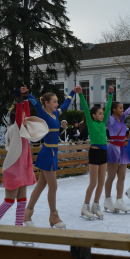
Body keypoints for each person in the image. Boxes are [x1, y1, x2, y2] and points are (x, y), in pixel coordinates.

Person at [0, 89, 48, 245]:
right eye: (24, 117)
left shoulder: (23, 130)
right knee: (8, 201)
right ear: (17, 119)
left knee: (21, 202)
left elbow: (25, 114)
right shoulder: (16, 129)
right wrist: (19, 102)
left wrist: (25, 98)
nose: (26, 119)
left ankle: (17, 232)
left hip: (23, 169)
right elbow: (20, 117)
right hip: (13, 169)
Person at [24, 85, 77, 229]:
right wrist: (28, 94)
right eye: (54, 102)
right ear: (47, 103)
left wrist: (72, 92)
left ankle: (28, 213)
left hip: (52, 153)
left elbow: (65, 104)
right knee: (53, 185)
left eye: (57, 101)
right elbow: (36, 103)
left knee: (41, 185)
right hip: (48, 153)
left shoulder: (55, 114)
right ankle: (54, 216)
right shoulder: (44, 114)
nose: (57, 104)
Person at [77, 86, 114, 219]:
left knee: (101, 182)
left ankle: (95, 205)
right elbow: (86, 108)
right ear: (93, 115)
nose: (102, 115)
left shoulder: (103, 122)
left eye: (102, 114)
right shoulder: (91, 123)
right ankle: (85, 206)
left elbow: (108, 108)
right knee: (93, 182)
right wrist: (81, 95)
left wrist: (110, 95)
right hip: (94, 153)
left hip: (104, 154)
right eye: (99, 113)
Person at [103, 90, 130, 215]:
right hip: (113, 148)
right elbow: (107, 106)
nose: (122, 109)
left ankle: (119, 200)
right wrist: (109, 97)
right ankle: (108, 200)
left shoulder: (122, 118)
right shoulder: (110, 120)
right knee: (111, 176)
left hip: (122, 149)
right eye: (120, 108)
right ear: (114, 109)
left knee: (122, 176)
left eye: (122, 108)